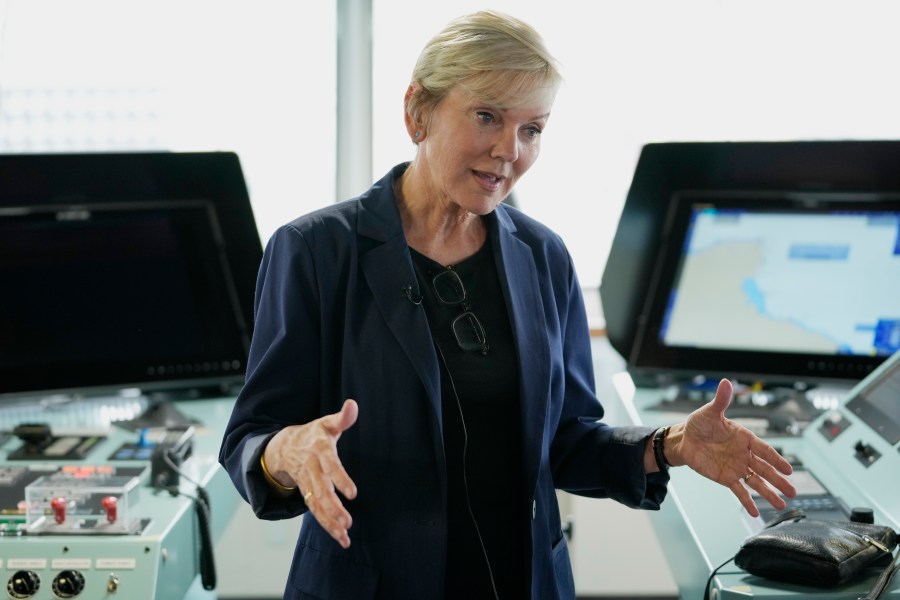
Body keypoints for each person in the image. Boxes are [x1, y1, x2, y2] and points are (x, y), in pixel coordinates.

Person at [219, 10, 796, 600]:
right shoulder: (313, 251)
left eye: (532, 129)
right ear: (417, 111)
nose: (508, 151)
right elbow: (249, 438)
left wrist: (669, 444)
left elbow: (567, 442)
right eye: (487, 116)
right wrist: (282, 451)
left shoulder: (544, 256)